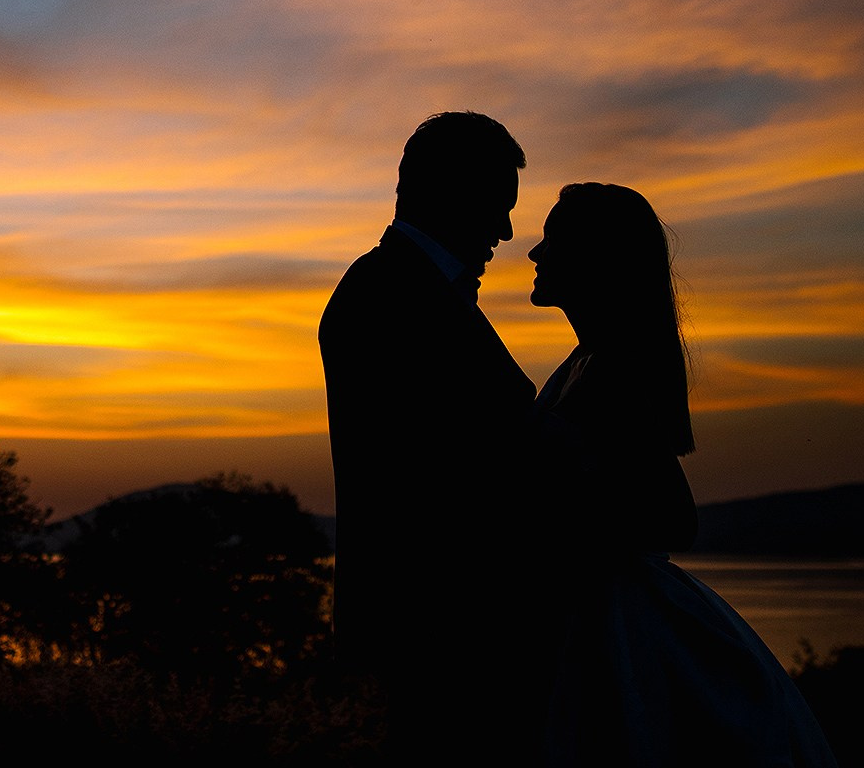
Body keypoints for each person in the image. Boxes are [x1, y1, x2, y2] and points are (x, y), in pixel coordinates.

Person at [527, 182, 836, 767]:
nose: (535, 255)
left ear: (597, 259)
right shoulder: (582, 365)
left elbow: (672, 516)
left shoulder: (615, 372)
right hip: (589, 613)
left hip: (615, 627)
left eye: (553, 240)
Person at [319, 111, 543, 756]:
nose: (504, 232)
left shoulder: (416, 291)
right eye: (497, 207)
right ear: (450, 192)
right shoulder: (389, 295)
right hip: (440, 626)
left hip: (442, 625)